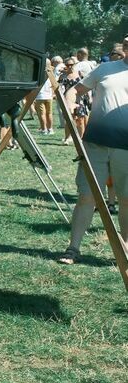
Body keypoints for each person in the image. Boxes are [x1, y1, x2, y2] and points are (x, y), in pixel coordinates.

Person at [58, 51, 128, 263]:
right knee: (86, 197)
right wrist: (70, 103)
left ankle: (124, 252)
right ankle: (73, 248)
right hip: (95, 143)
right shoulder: (105, 69)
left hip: (126, 148)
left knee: (126, 200)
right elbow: (74, 91)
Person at [34, 57, 56, 135]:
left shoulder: (39, 72)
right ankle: (50, 129)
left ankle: (44, 129)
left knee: (42, 114)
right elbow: (54, 84)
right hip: (49, 95)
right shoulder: (51, 73)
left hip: (40, 96)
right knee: (49, 113)